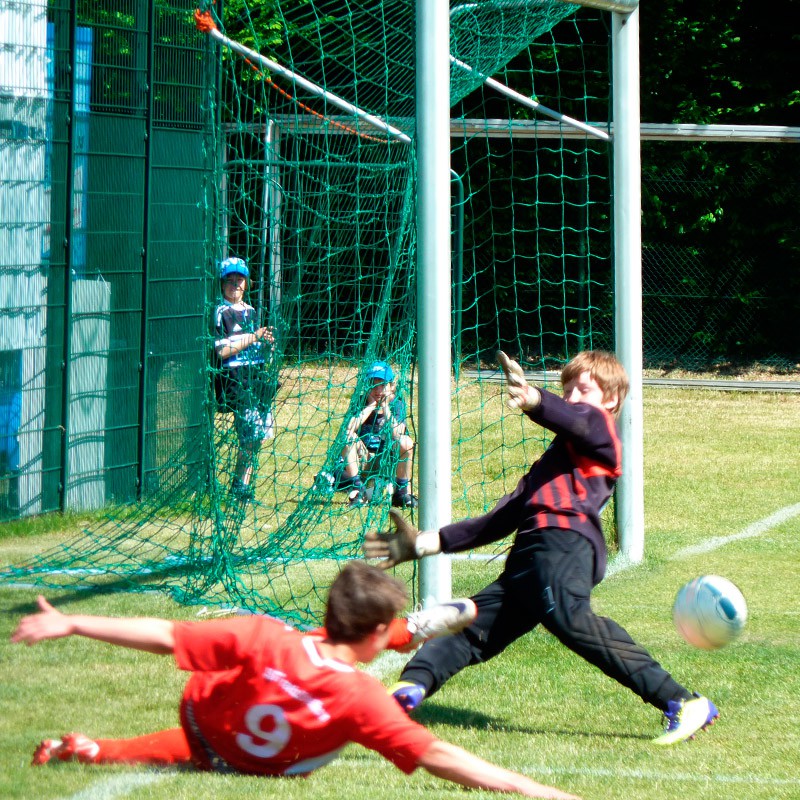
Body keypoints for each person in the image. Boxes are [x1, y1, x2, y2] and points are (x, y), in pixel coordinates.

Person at [364, 350, 719, 746]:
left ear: (611, 399)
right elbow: (499, 520)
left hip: (562, 546)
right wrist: (426, 543)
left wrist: (535, 400)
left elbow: (579, 420)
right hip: (528, 562)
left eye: (583, 389)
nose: (572, 398)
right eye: (566, 390)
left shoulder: (601, 428)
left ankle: (682, 702)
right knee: (469, 631)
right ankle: (409, 688)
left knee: (570, 618)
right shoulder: (551, 462)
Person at [11, 563, 579, 799]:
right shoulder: (357, 698)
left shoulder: (265, 636)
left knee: (276, 652)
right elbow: (439, 755)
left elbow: (166, 633)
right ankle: (416, 628)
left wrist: (73, 620)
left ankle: (92, 749)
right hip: (243, 759)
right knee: (204, 751)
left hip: (206, 717)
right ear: (373, 631)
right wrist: (535, 790)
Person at [213, 257, 277, 502]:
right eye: (229, 280)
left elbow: (255, 346)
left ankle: (242, 485)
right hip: (236, 382)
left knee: (259, 435)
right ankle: (239, 486)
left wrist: (266, 344)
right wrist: (253, 337)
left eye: (239, 280)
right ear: (222, 284)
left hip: (256, 380)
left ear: (247, 283)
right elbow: (222, 350)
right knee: (249, 436)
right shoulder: (221, 311)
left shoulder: (250, 311)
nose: (235, 285)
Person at [334, 360, 417, 509]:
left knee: (405, 442)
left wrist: (385, 408)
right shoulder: (360, 402)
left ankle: (402, 492)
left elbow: (398, 433)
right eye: (373, 385)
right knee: (346, 437)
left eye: (382, 385)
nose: (378, 391)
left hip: (388, 462)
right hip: (363, 460)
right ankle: (358, 489)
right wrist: (370, 406)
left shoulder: (397, 403)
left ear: (392, 387)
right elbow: (348, 428)